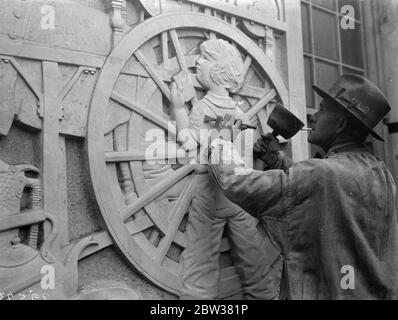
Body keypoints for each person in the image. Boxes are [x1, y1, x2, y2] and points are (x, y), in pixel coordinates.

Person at [208, 74, 398, 299]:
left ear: (340, 124)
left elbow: (238, 182)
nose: (314, 118)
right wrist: (275, 161)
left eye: (322, 110)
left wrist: (221, 141)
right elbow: (322, 188)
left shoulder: (321, 174)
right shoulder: (381, 173)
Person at [171, 39, 276, 299]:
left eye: (204, 59)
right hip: (241, 195)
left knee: (200, 260)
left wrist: (178, 107)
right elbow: (246, 157)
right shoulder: (241, 114)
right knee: (253, 259)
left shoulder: (202, 108)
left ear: (217, 71)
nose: (197, 62)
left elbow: (187, 142)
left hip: (210, 194)